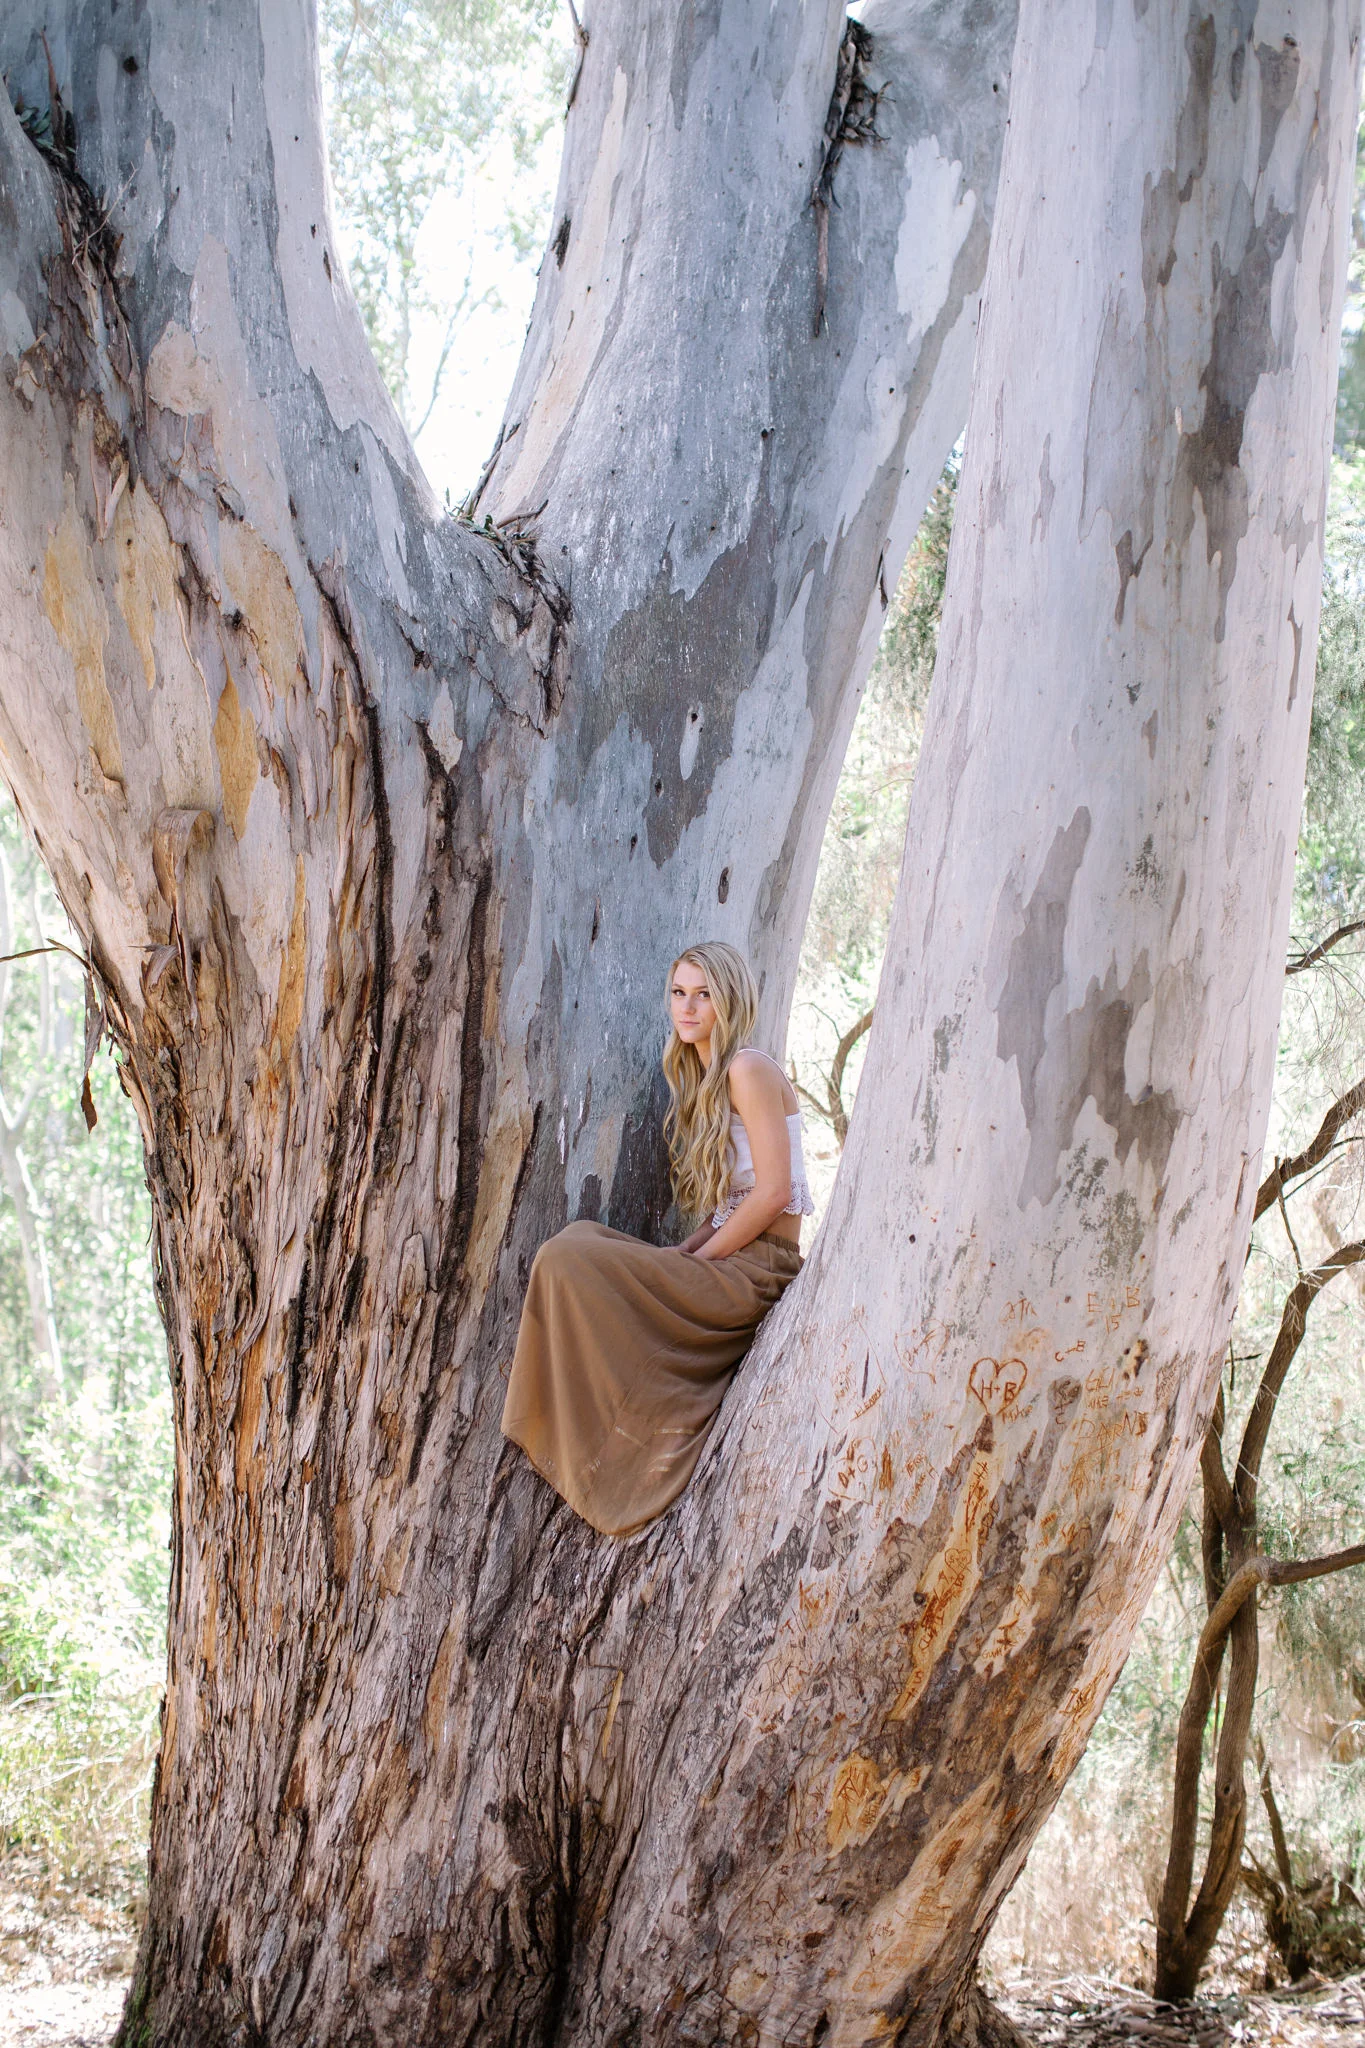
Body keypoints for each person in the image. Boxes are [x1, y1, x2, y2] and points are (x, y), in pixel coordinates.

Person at [500, 940, 814, 1537]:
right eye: (678, 993)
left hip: (758, 1272)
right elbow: (733, 1203)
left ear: (729, 1001)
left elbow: (773, 1193)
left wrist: (702, 1262)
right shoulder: (710, 1076)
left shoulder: (748, 1068)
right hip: (735, 1261)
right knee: (581, 1241)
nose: (687, 1008)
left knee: (569, 1256)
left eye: (703, 995)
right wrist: (683, 1254)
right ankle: (579, 1427)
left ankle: (603, 1451)